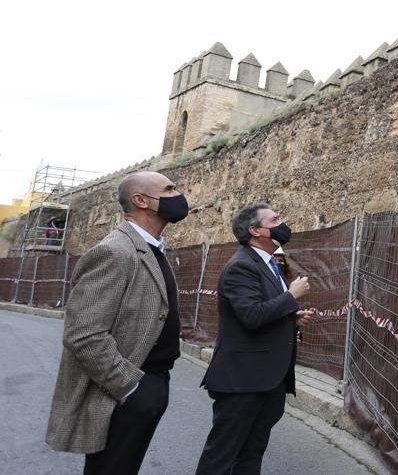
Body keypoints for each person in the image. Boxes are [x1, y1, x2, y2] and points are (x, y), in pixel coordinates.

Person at [45, 171, 189, 474]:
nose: (178, 194)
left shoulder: (153, 249)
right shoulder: (114, 251)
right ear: (140, 200)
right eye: (169, 189)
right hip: (127, 389)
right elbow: (84, 334)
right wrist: (130, 387)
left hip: (152, 381)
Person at [195, 203, 313, 475]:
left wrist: (290, 318)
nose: (282, 223)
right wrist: (291, 296)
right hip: (243, 382)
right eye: (275, 219)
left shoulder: (271, 264)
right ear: (255, 231)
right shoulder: (241, 266)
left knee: (252, 452)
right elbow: (250, 315)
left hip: (268, 380)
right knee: (222, 456)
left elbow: (262, 309)